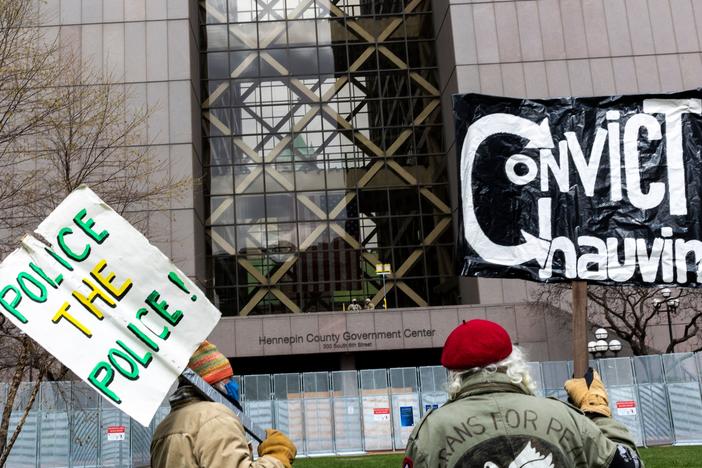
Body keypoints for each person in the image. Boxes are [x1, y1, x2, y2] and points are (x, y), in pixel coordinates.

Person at [403, 320, 643, 468]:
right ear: (513, 361)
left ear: (455, 374)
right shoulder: (564, 416)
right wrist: (596, 412)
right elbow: (627, 464)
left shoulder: (432, 430)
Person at [151, 341, 297, 468]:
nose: (234, 384)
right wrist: (277, 456)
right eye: (229, 378)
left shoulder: (164, 427)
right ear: (214, 383)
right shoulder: (215, 418)